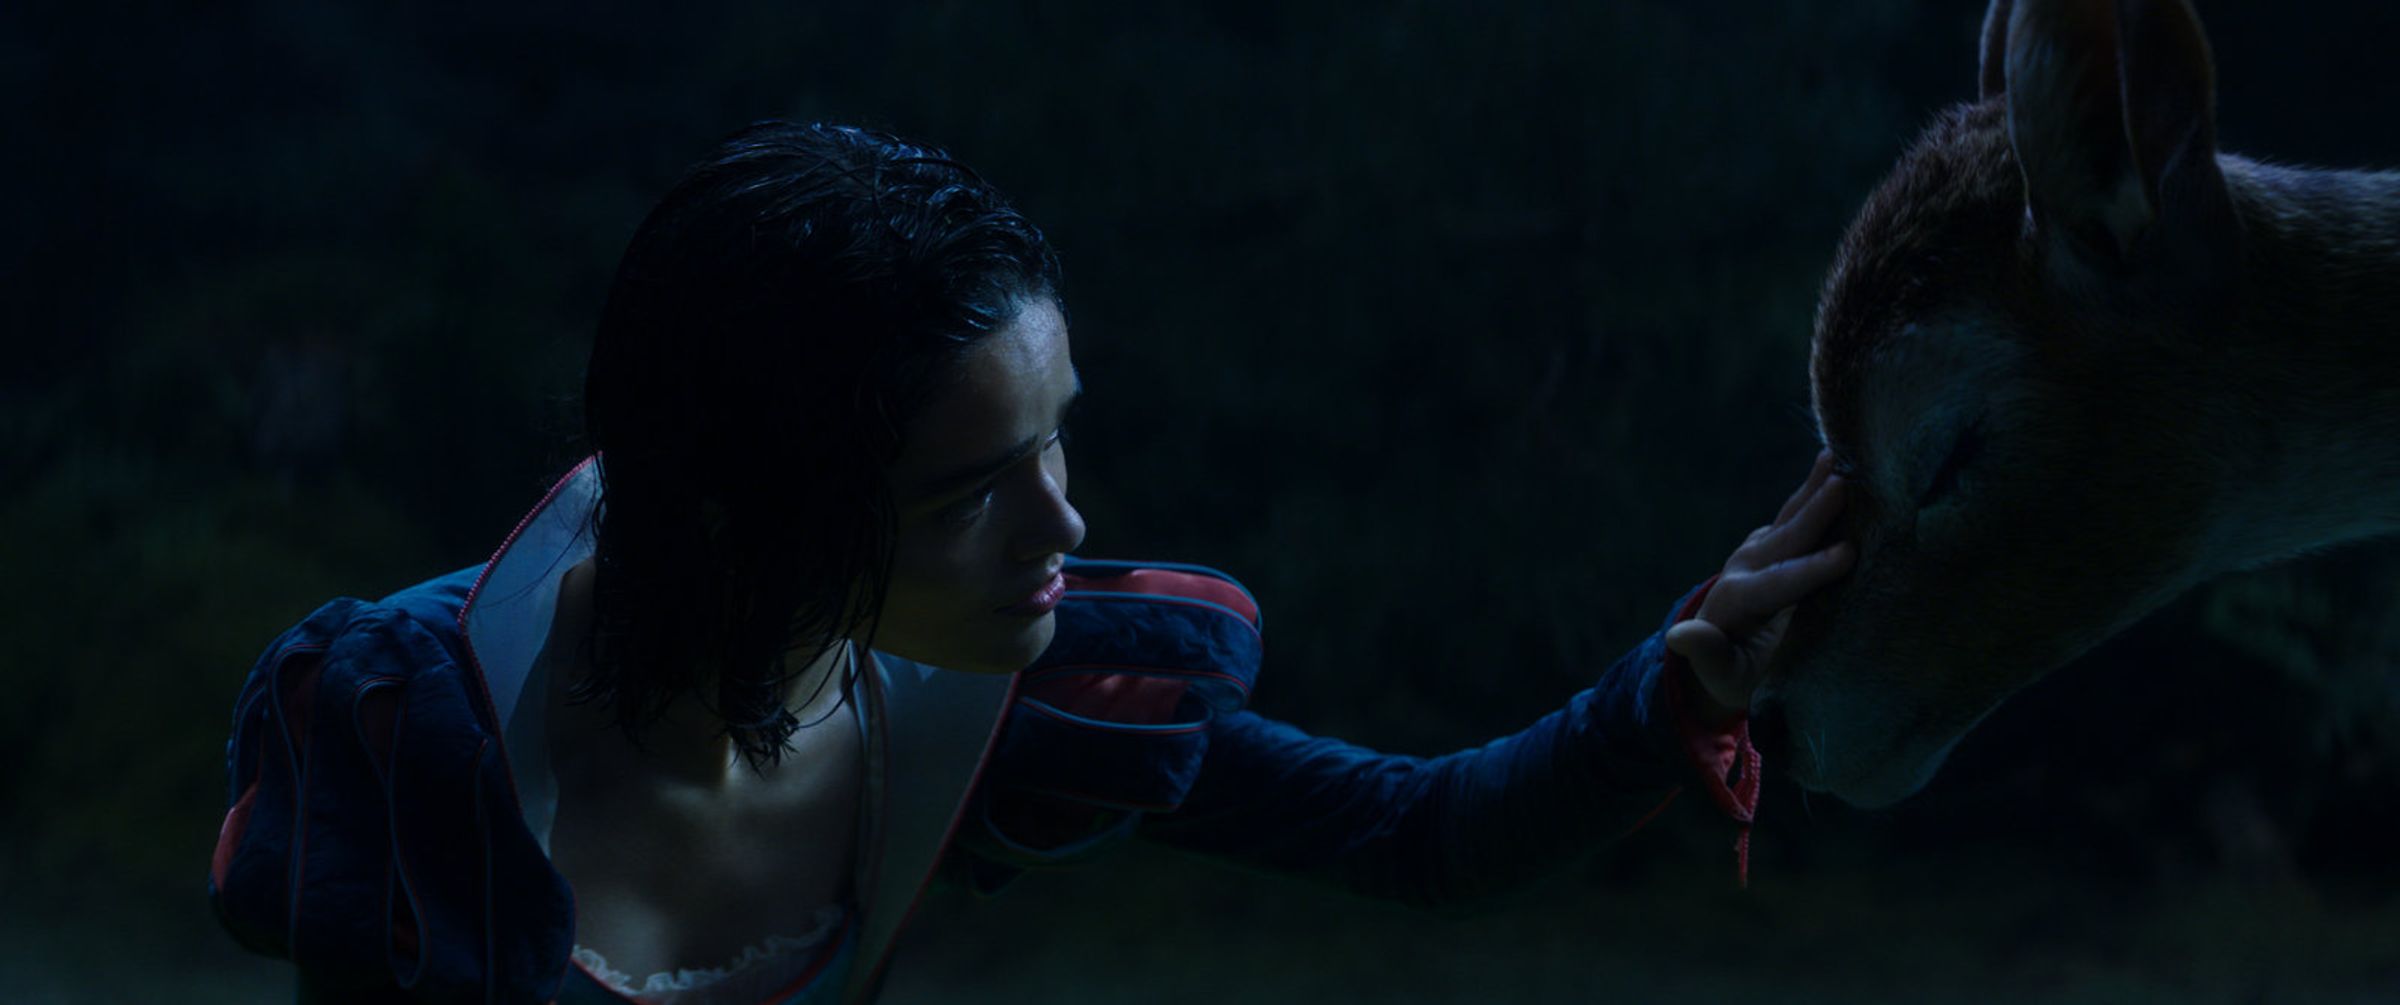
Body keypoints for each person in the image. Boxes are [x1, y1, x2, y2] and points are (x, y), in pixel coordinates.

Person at [206, 121, 1854, 1005]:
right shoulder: (414, 729)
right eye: (971, 491)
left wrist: (1678, 683)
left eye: (1055, 441)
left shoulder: (985, 694)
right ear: (753, 505)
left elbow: (1417, 834)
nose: (1062, 525)